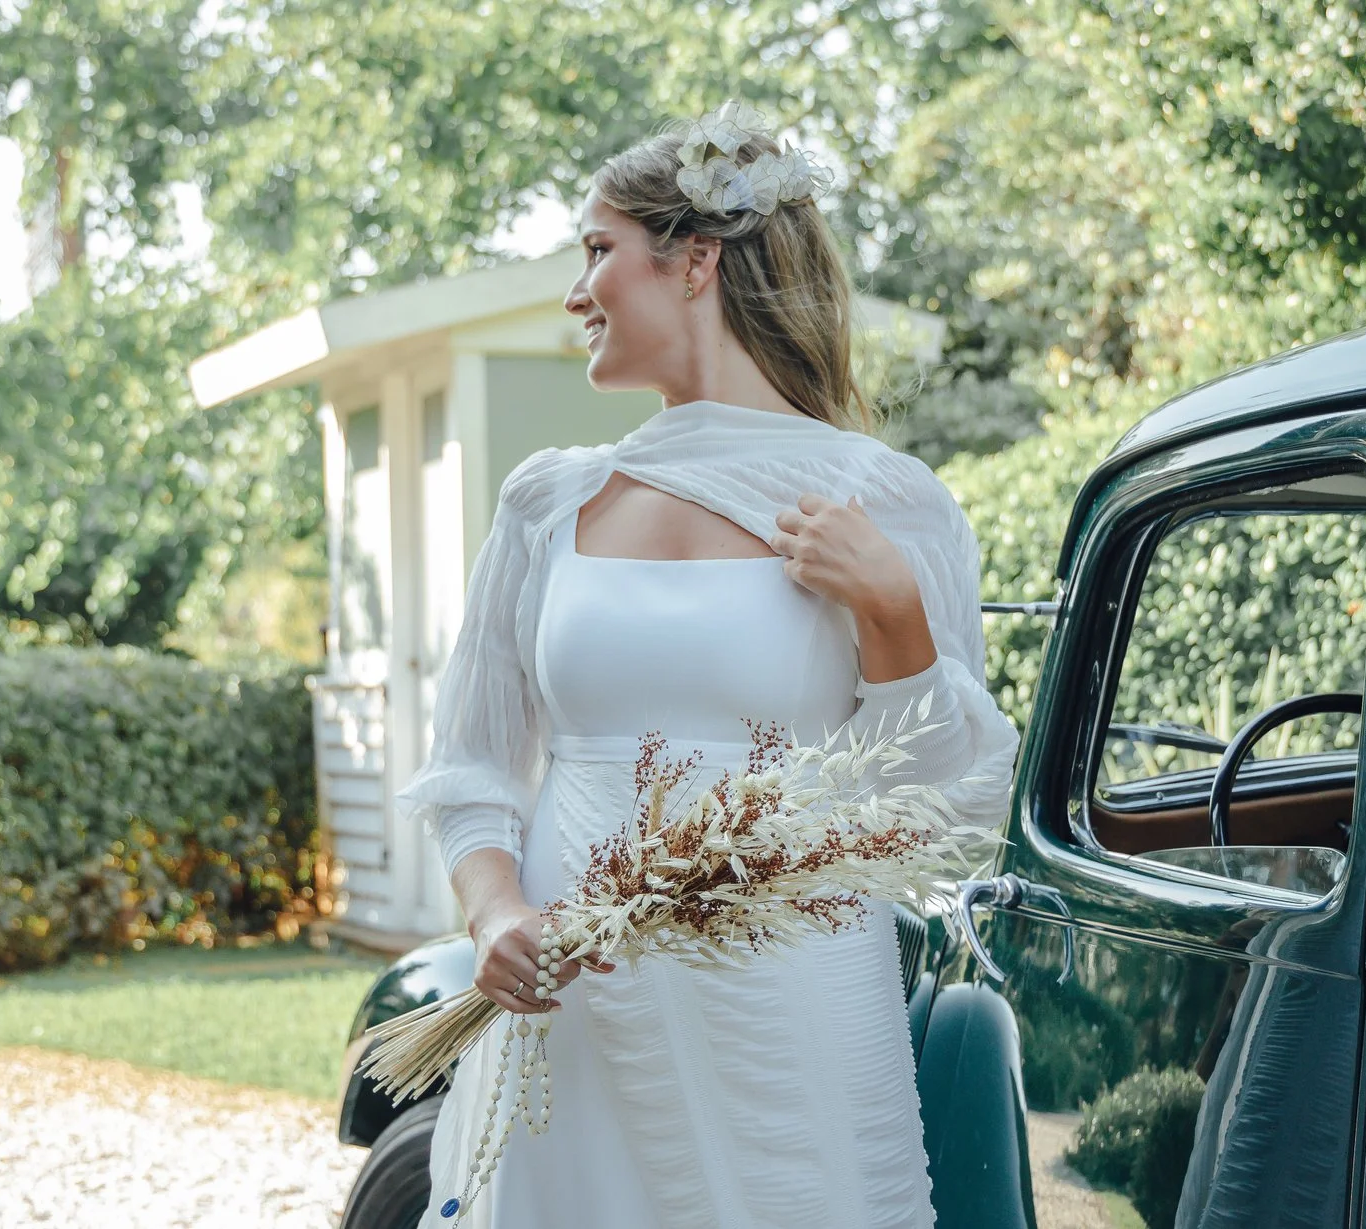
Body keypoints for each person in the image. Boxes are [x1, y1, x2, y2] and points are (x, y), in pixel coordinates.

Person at [392, 99, 1022, 1229]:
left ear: (695, 260)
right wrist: (494, 916)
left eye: (597, 251)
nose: (576, 292)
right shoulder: (549, 500)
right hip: (576, 1001)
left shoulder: (886, 501)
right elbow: (473, 768)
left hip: (790, 997)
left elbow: (935, 808)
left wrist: (890, 608)